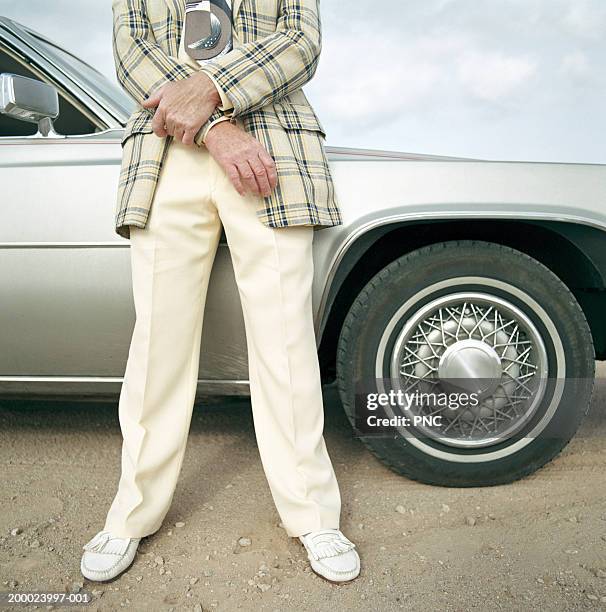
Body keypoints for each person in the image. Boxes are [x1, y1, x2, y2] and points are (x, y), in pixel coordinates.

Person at [80, 0, 360, 584]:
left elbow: (300, 42)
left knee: (286, 339)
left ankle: (312, 513)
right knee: (158, 343)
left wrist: (212, 89)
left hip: (274, 152)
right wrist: (216, 129)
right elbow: (132, 54)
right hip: (165, 154)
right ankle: (131, 515)